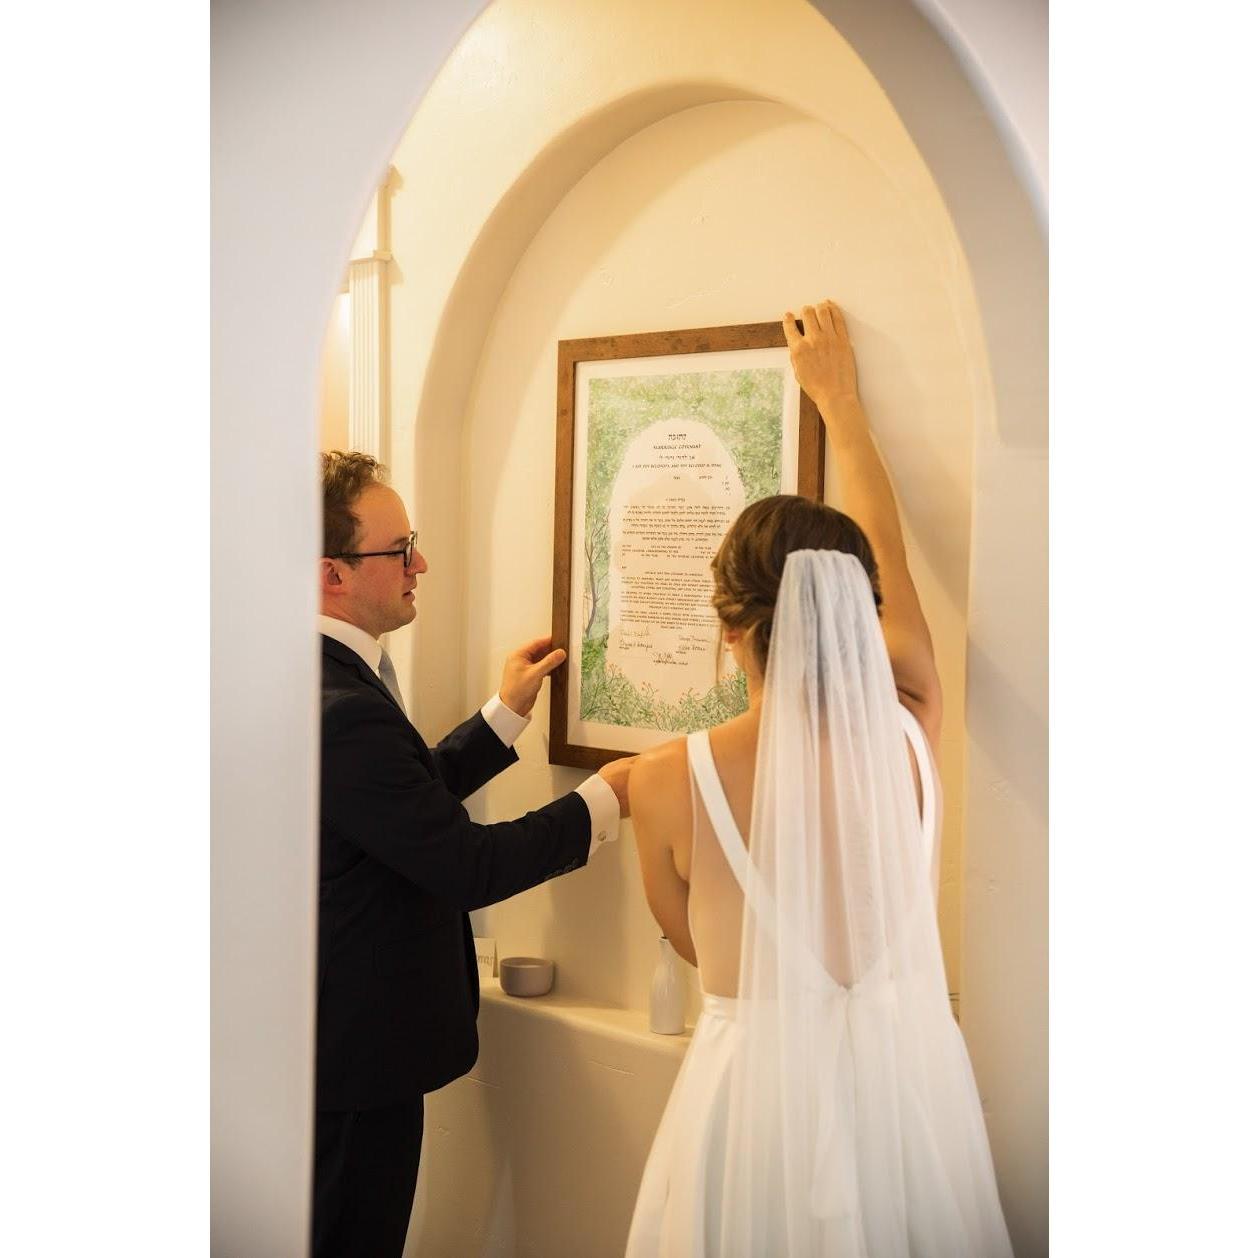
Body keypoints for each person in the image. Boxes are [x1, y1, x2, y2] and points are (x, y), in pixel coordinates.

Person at [625, 302, 1013, 1255]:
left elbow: (687, 940)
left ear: (727, 624)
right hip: (906, 1091)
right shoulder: (912, 722)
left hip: (751, 1109)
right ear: (855, 605)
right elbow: (892, 554)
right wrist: (839, 401)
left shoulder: (668, 778)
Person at [312, 451, 633, 1258]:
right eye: (399, 549)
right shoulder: (337, 706)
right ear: (332, 574)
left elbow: (398, 809)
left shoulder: (329, 680)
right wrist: (607, 799)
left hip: (338, 1050)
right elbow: (466, 865)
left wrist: (504, 714)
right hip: (353, 1065)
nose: (420, 562)